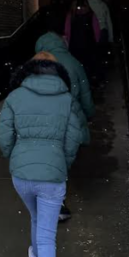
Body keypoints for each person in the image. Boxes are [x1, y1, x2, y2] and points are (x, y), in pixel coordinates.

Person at [0, 52, 83, 257]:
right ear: (56, 72)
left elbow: (3, 137)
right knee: (48, 234)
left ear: (30, 71)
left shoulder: (15, 97)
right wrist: (62, 162)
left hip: (21, 174)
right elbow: (73, 138)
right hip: (52, 174)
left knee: (35, 217)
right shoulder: (66, 99)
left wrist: (15, 159)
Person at [35, 19, 95, 222]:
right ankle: (55, 200)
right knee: (62, 158)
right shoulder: (73, 62)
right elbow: (85, 92)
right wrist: (88, 113)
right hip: (69, 115)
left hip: (42, 119)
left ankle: (49, 200)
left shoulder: (36, 64)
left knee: (46, 158)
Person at [64, 0, 101, 86]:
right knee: (89, 67)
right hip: (89, 45)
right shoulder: (91, 14)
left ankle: (79, 84)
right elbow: (97, 30)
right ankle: (89, 84)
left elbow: (67, 31)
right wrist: (96, 42)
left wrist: (67, 45)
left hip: (74, 46)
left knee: (77, 68)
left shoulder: (71, 15)